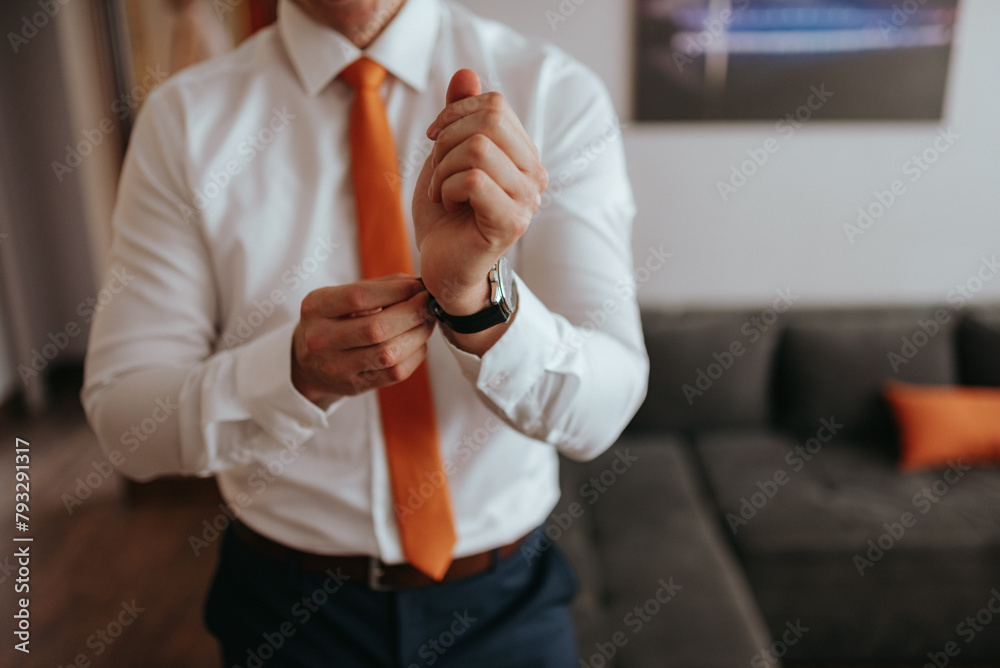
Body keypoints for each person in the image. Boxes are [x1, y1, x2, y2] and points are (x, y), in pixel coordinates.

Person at [82, 0, 648, 665]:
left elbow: (603, 411)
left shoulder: (553, 91)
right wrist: (292, 374)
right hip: (284, 616)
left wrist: (474, 304)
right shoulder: (181, 121)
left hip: (505, 610)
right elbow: (127, 425)